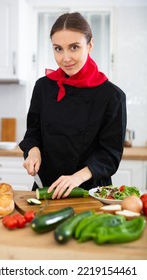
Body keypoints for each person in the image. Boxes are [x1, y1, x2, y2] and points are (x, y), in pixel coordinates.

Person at [19, 12, 127, 199]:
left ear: (90, 45)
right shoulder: (43, 87)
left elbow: (110, 155)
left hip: (90, 191)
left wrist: (76, 178)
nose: (65, 58)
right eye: (58, 49)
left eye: (74, 47)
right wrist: (33, 152)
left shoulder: (112, 95)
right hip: (47, 189)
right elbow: (33, 132)